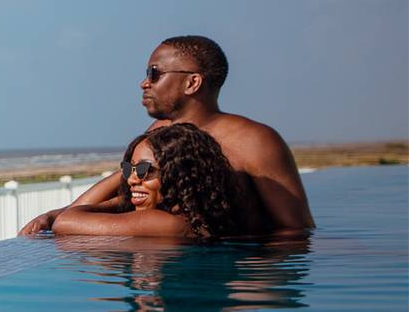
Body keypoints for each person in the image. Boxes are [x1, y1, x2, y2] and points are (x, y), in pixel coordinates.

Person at [21, 35, 314, 236]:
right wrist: (56, 215)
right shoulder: (159, 133)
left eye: (154, 73)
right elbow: (128, 191)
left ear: (192, 82)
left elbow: (295, 228)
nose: (144, 83)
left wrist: (250, 276)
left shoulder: (255, 140)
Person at [51, 123, 241, 238]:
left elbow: (64, 221)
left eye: (145, 170)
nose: (131, 179)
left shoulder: (167, 222)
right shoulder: (197, 221)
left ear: (179, 175)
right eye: (128, 169)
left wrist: (119, 201)